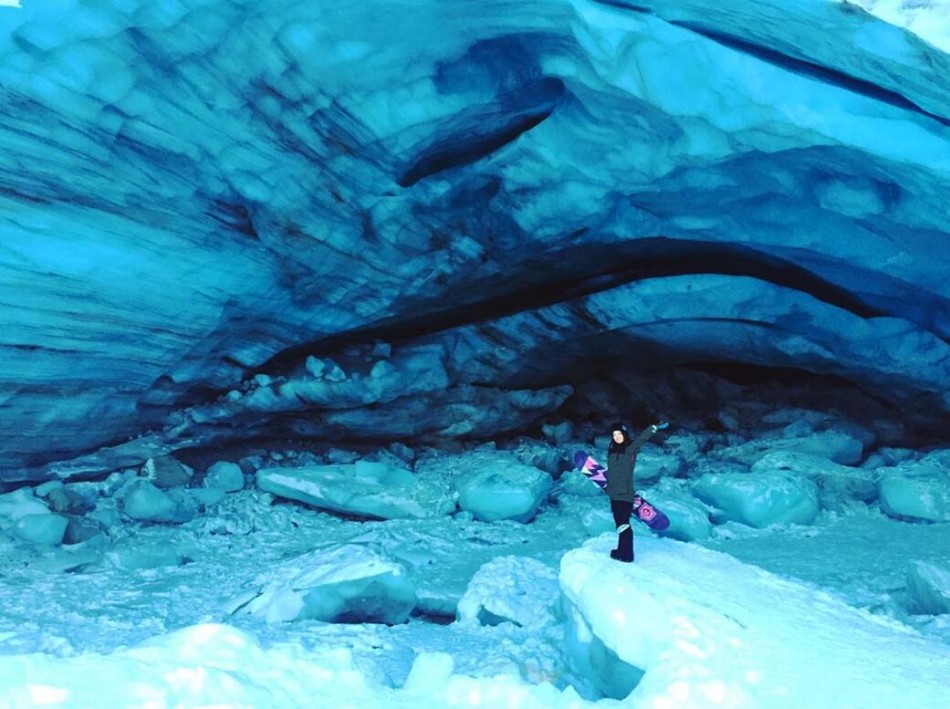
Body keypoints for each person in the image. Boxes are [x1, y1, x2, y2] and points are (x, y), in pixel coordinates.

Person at [606, 421, 663, 562]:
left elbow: (641, 439)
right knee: (619, 524)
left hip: (625, 493)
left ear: (624, 434)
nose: (617, 436)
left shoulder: (630, 449)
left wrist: (652, 428)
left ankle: (627, 555)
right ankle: (621, 550)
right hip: (613, 493)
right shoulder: (612, 450)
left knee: (624, 524)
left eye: (619, 433)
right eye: (614, 434)